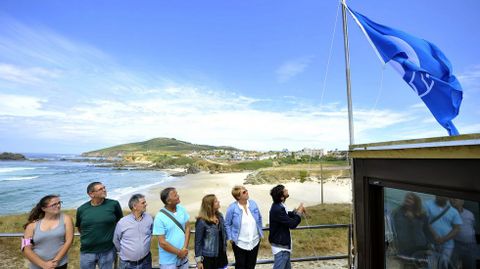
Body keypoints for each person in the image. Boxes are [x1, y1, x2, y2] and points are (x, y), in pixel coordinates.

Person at [76, 182, 123, 269]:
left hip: (107, 250)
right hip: (87, 251)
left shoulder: (114, 204)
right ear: (91, 194)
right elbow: (80, 228)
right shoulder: (81, 209)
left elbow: (119, 222)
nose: (104, 190)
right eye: (100, 189)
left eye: (104, 187)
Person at [22, 195, 74, 269]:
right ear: (43, 208)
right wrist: (43, 264)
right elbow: (26, 249)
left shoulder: (66, 219)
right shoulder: (31, 225)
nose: (58, 206)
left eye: (59, 203)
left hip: (59, 264)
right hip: (37, 265)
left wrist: (55, 262)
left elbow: (69, 241)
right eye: (54, 204)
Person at [225, 185, 263, 269]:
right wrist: (231, 238)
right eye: (244, 192)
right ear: (238, 196)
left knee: (251, 265)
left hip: (254, 241)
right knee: (240, 266)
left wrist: (260, 231)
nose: (247, 192)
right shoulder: (232, 208)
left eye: (246, 190)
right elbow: (227, 224)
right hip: (239, 243)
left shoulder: (253, 204)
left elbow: (259, 218)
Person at [153, 187, 191, 269]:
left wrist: (184, 248)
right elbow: (162, 242)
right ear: (168, 201)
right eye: (175, 195)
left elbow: (188, 227)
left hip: (183, 258)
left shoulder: (181, 209)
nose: (178, 196)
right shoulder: (159, 217)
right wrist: (179, 252)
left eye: (177, 194)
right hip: (168, 262)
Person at [268, 184, 305, 269]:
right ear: (281, 197)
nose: (287, 190)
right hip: (281, 247)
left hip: (283, 246)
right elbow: (292, 224)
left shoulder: (279, 205)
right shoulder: (278, 208)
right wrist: (299, 213)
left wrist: (296, 211)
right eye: (285, 190)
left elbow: (286, 214)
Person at [113, 194, 153, 269]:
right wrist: (124, 252)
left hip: (146, 261)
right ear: (134, 206)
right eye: (143, 203)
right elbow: (116, 240)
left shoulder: (149, 218)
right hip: (127, 264)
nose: (146, 204)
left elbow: (151, 233)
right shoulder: (122, 222)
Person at [391, 192, 430, 267]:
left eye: (410, 198)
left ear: (415, 202)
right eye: (406, 198)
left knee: (418, 266)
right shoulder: (397, 212)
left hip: (419, 247)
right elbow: (393, 228)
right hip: (403, 247)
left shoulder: (422, 214)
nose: (407, 200)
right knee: (404, 266)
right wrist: (393, 244)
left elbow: (426, 231)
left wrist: (412, 219)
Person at [425, 196, 462, 269]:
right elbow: (425, 222)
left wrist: (444, 239)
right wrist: (435, 236)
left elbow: (457, 228)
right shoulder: (427, 204)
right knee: (431, 266)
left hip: (447, 246)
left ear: (448, 197)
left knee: (443, 265)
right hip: (431, 243)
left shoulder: (454, 211)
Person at [194, 194, 228, 269]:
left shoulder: (220, 216)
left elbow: (224, 234)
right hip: (208, 258)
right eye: (216, 201)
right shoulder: (202, 221)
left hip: (221, 255)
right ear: (209, 205)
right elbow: (198, 243)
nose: (219, 202)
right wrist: (199, 261)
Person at [451, 199, 477, 269]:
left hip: (470, 245)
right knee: (453, 265)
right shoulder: (449, 213)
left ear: (462, 201)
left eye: (456, 199)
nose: (453, 200)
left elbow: (473, 225)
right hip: (456, 244)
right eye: (452, 199)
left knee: (470, 265)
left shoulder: (469, 214)